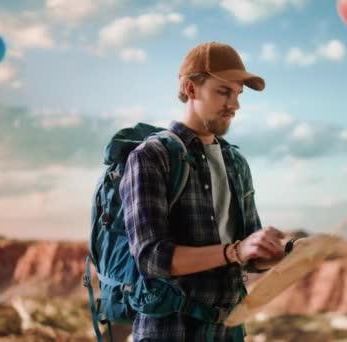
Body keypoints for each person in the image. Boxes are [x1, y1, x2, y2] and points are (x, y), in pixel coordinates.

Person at [119, 41, 286, 341]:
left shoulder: (236, 162)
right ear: (191, 89)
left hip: (229, 330)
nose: (235, 105)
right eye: (224, 92)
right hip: (170, 331)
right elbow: (152, 258)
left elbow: (248, 253)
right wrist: (234, 251)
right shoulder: (151, 156)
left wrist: (281, 254)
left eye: (237, 95)